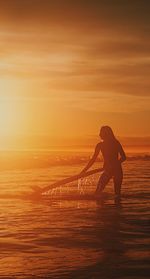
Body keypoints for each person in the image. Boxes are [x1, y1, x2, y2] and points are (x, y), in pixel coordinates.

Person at [80, 126, 126, 197]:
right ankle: (102, 207)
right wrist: (84, 171)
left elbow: (124, 157)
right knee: (97, 193)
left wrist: (114, 165)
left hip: (117, 170)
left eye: (101, 132)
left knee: (117, 195)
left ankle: (116, 207)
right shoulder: (100, 145)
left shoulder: (115, 143)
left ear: (106, 134)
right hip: (107, 170)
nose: (99, 134)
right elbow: (93, 160)